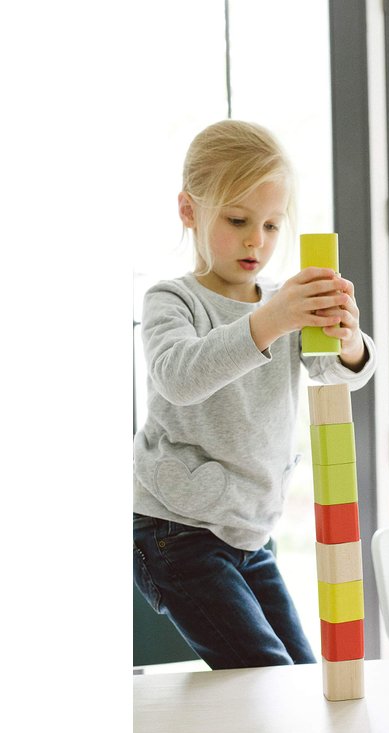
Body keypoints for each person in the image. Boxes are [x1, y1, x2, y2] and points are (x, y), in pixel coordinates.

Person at [133, 120, 376, 670]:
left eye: (271, 225)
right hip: (175, 531)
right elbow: (178, 376)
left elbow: (335, 372)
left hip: (248, 535)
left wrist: (348, 340)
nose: (256, 241)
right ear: (189, 210)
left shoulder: (281, 301)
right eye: (238, 220)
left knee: (303, 677)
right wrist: (271, 320)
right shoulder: (172, 299)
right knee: (269, 677)